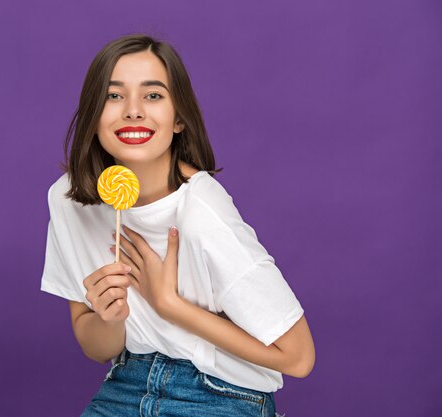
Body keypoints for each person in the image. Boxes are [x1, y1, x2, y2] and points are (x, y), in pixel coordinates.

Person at [41, 34, 315, 417]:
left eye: (153, 96)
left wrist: (169, 304)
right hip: (127, 383)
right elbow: (97, 347)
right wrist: (109, 316)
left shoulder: (200, 210)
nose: (133, 111)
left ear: (179, 118)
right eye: (114, 96)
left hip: (221, 393)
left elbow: (299, 357)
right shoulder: (70, 201)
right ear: (93, 114)